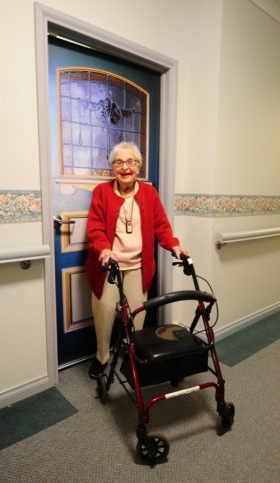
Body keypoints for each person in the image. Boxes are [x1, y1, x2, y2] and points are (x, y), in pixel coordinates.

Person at [85, 141, 187, 379]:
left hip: (138, 266)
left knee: (137, 314)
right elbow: (95, 228)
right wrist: (103, 250)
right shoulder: (102, 192)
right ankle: (102, 357)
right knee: (105, 310)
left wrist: (173, 245)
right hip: (108, 265)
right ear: (112, 168)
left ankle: (132, 354)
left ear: (138, 166)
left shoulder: (149, 193)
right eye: (118, 162)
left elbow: (161, 226)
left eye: (130, 162)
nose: (125, 167)